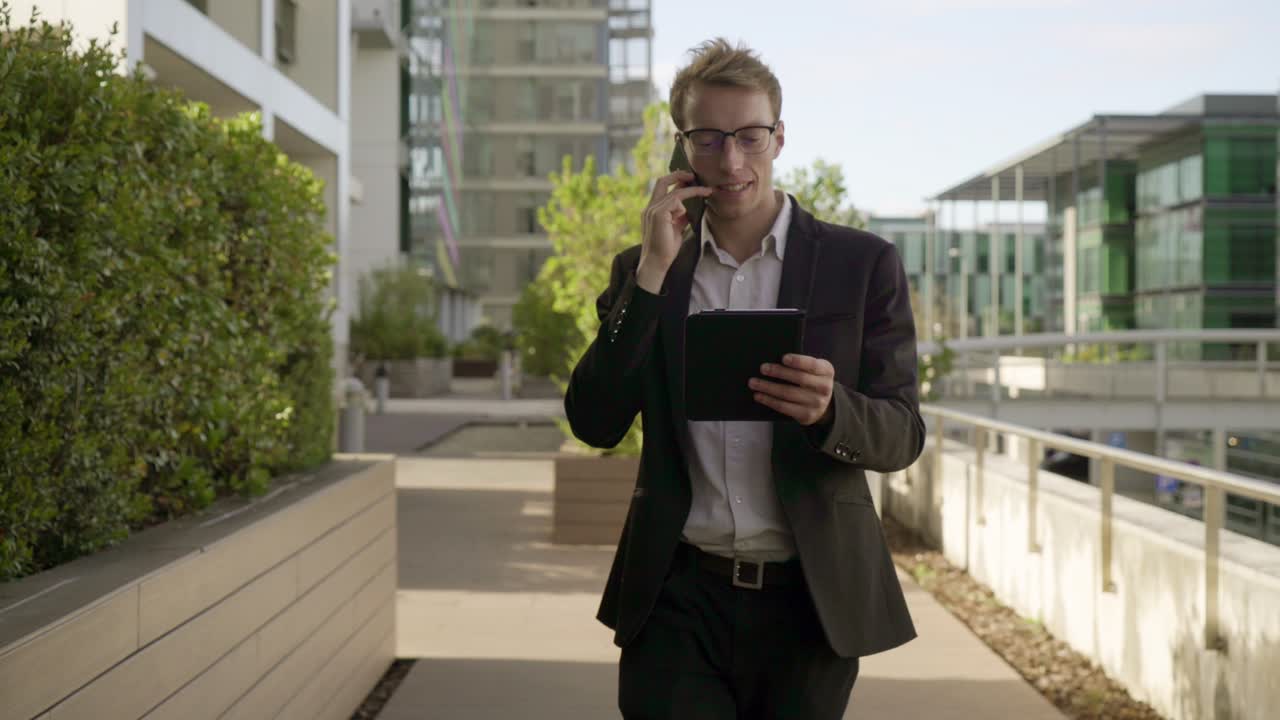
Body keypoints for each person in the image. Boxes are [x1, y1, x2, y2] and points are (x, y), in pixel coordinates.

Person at [564, 37, 924, 720]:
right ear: (681, 147)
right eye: (707, 139)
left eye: (750, 137)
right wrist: (649, 277)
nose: (730, 161)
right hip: (676, 597)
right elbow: (594, 420)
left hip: (809, 603)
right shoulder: (645, 268)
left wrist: (831, 411)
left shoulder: (862, 264)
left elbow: (902, 434)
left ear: (779, 137)